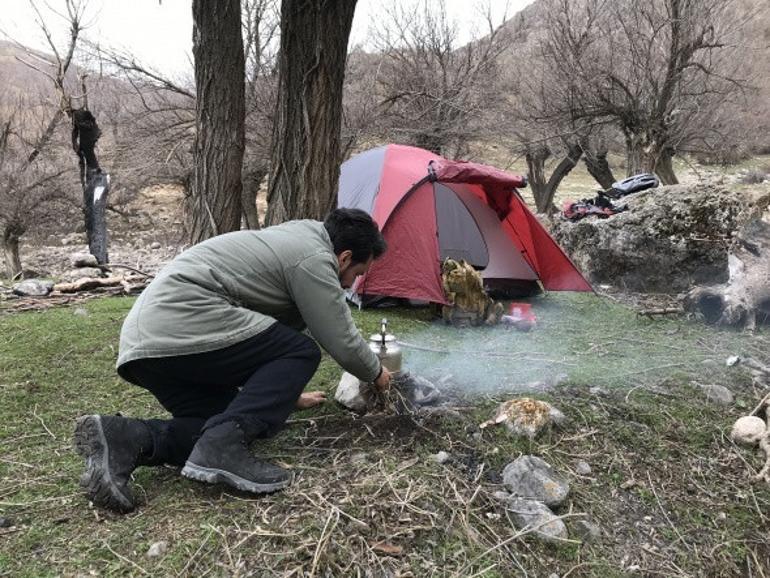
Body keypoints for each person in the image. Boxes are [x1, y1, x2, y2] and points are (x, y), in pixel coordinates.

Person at [73, 208, 392, 513]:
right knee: (302, 351)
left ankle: (126, 437)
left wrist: (282, 394)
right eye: (357, 274)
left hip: (149, 344)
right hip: (182, 324)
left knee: (219, 422)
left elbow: (250, 343)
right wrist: (377, 374)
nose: (351, 284)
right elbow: (340, 337)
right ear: (345, 257)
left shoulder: (294, 242)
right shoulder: (314, 257)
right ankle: (220, 450)